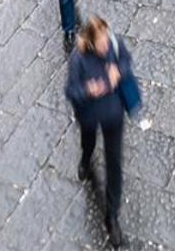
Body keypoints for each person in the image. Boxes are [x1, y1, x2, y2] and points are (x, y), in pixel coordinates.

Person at [65, 15, 135, 247]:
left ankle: (112, 216)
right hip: (91, 116)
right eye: (102, 42)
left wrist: (119, 72)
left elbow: (126, 61)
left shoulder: (115, 45)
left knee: (114, 163)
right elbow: (71, 91)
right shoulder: (79, 60)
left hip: (114, 116)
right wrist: (88, 90)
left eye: (107, 39)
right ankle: (86, 160)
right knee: (89, 143)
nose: (107, 45)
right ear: (92, 43)